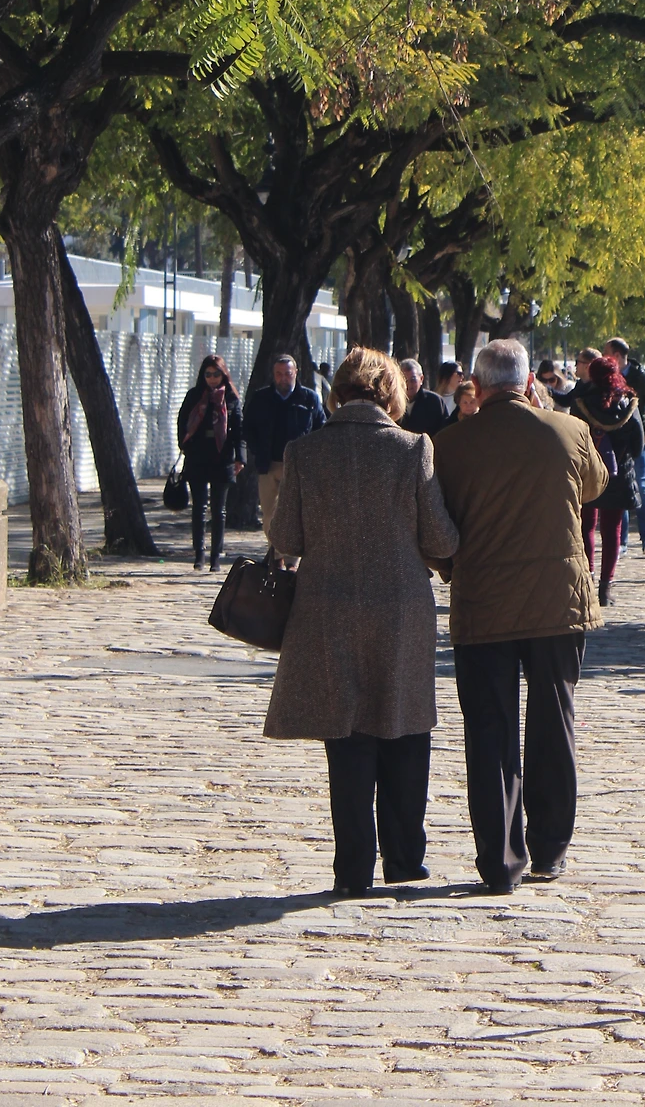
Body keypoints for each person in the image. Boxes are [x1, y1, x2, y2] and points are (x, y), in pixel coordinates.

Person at [263, 346, 459, 897]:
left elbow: (286, 539)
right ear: (391, 393)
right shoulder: (413, 448)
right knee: (405, 730)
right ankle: (405, 859)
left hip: (327, 610)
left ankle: (352, 869)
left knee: (346, 739)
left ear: (338, 391)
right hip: (400, 610)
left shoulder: (305, 452)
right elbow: (440, 538)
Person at [433, 338, 607, 894]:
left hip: (483, 601)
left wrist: (450, 568)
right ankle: (551, 848)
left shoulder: (449, 445)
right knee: (554, 720)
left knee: (490, 729)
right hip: (558, 600)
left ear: (477, 387)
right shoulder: (568, 431)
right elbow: (596, 485)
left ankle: (500, 861)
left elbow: (435, 525)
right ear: (530, 383)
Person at [567, 354, 644, 608]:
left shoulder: (581, 403)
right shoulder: (629, 405)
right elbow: (638, 445)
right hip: (619, 474)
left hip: (589, 472)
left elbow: (573, 440)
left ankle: (587, 580)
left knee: (586, 526)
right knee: (612, 531)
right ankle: (606, 588)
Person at [175, 355, 245, 574]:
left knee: (219, 509)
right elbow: (182, 423)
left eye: (216, 374)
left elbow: (239, 430)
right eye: (208, 374)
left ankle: (216, 557)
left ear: (223, 375)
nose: (212, 379)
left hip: (222, 457)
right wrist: (185, 446)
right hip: (197, 456)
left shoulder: (231, 398)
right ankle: (199, 555)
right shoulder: (194, 396)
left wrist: (240, 458)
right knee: (199, 507)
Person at [243, 354, 327, 534]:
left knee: (297, 515)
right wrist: (257, 450)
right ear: (273, 374)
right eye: (279, 374)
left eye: (287, 373)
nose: (283, 378)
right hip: (269, 464)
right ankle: (274, 550)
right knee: (270, 515)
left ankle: (292, 553)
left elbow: (321, 430)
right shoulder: (261, 398)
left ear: (295, 372)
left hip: (299, 466)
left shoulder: (309, 398)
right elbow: (248, 428)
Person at [604, 337, 645, 555]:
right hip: (618, 439)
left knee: (641, 485)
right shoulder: (609, 377)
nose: (604, 357)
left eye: (606, 353)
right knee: (621, 485)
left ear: (617, 356)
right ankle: (622, 541)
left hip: (637, 441)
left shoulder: (639, 377)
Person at [399, 357, 450, 437]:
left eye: (413, 380)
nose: (408, 385)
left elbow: (445, 430)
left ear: (421, 379)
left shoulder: (435, 402)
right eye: (404, 380)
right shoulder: (392, 402)